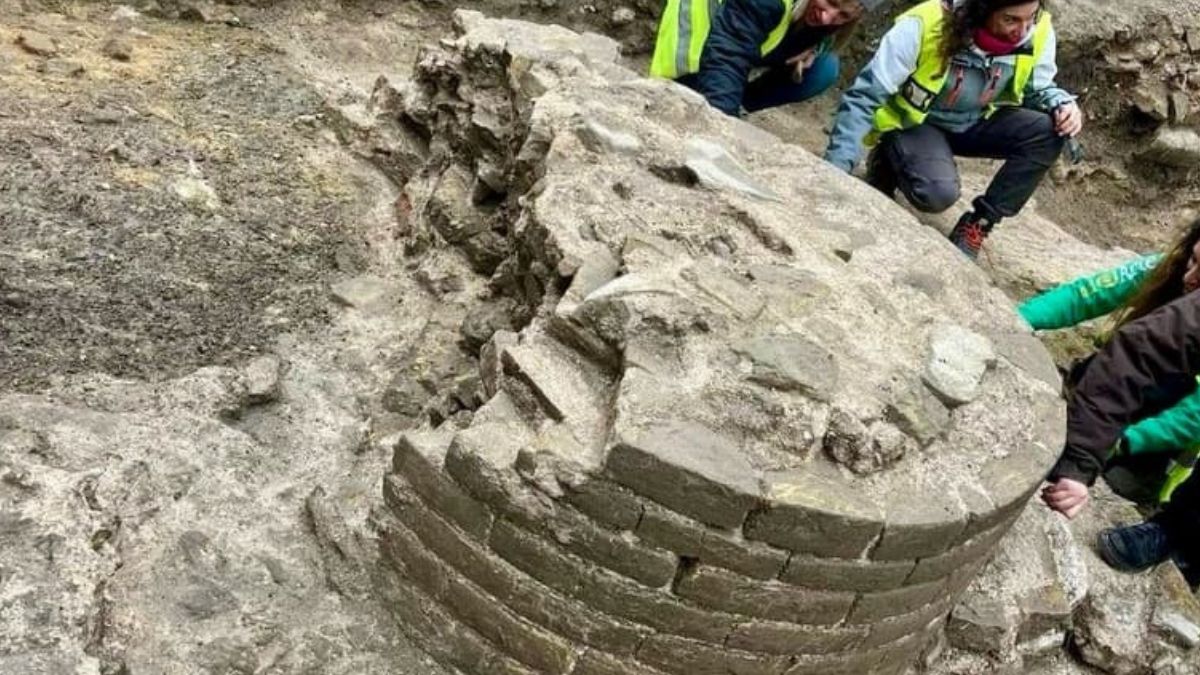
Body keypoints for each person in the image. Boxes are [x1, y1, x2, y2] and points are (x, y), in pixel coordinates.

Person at [823, 0, 1083, 259]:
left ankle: (978, 224)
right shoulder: (925, 24)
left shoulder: (1038, 29)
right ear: (981, 10)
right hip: (916, 124)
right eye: (1010, 20)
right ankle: (888, 160)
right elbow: (865, 97)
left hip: (977, 121)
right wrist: (834, 172)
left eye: (1031, 17)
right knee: (938, 195)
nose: (1023, 30)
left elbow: (1038, 87)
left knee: (1048, 132)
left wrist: (1061, 104)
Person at [1026, 218, 1200, 583]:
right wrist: (1018, 320)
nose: (1190, 278)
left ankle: (1176, 541)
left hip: (1152, 447)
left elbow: (1193, 415)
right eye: (1194, 261)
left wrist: (1122, 443)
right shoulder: (1168, 268)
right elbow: (1086, 296)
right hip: (1117, 402)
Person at [649, 0, 882, 117]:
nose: (827, 17)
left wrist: (815, 48)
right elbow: (730, 52)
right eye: (831, 2)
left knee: (824, 68)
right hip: (691, 47)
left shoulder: (822, 18)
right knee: (715, 98)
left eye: (843, 15)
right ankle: (718, 102)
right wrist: (720, 119)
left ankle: (739, 103)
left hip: (738, 37)